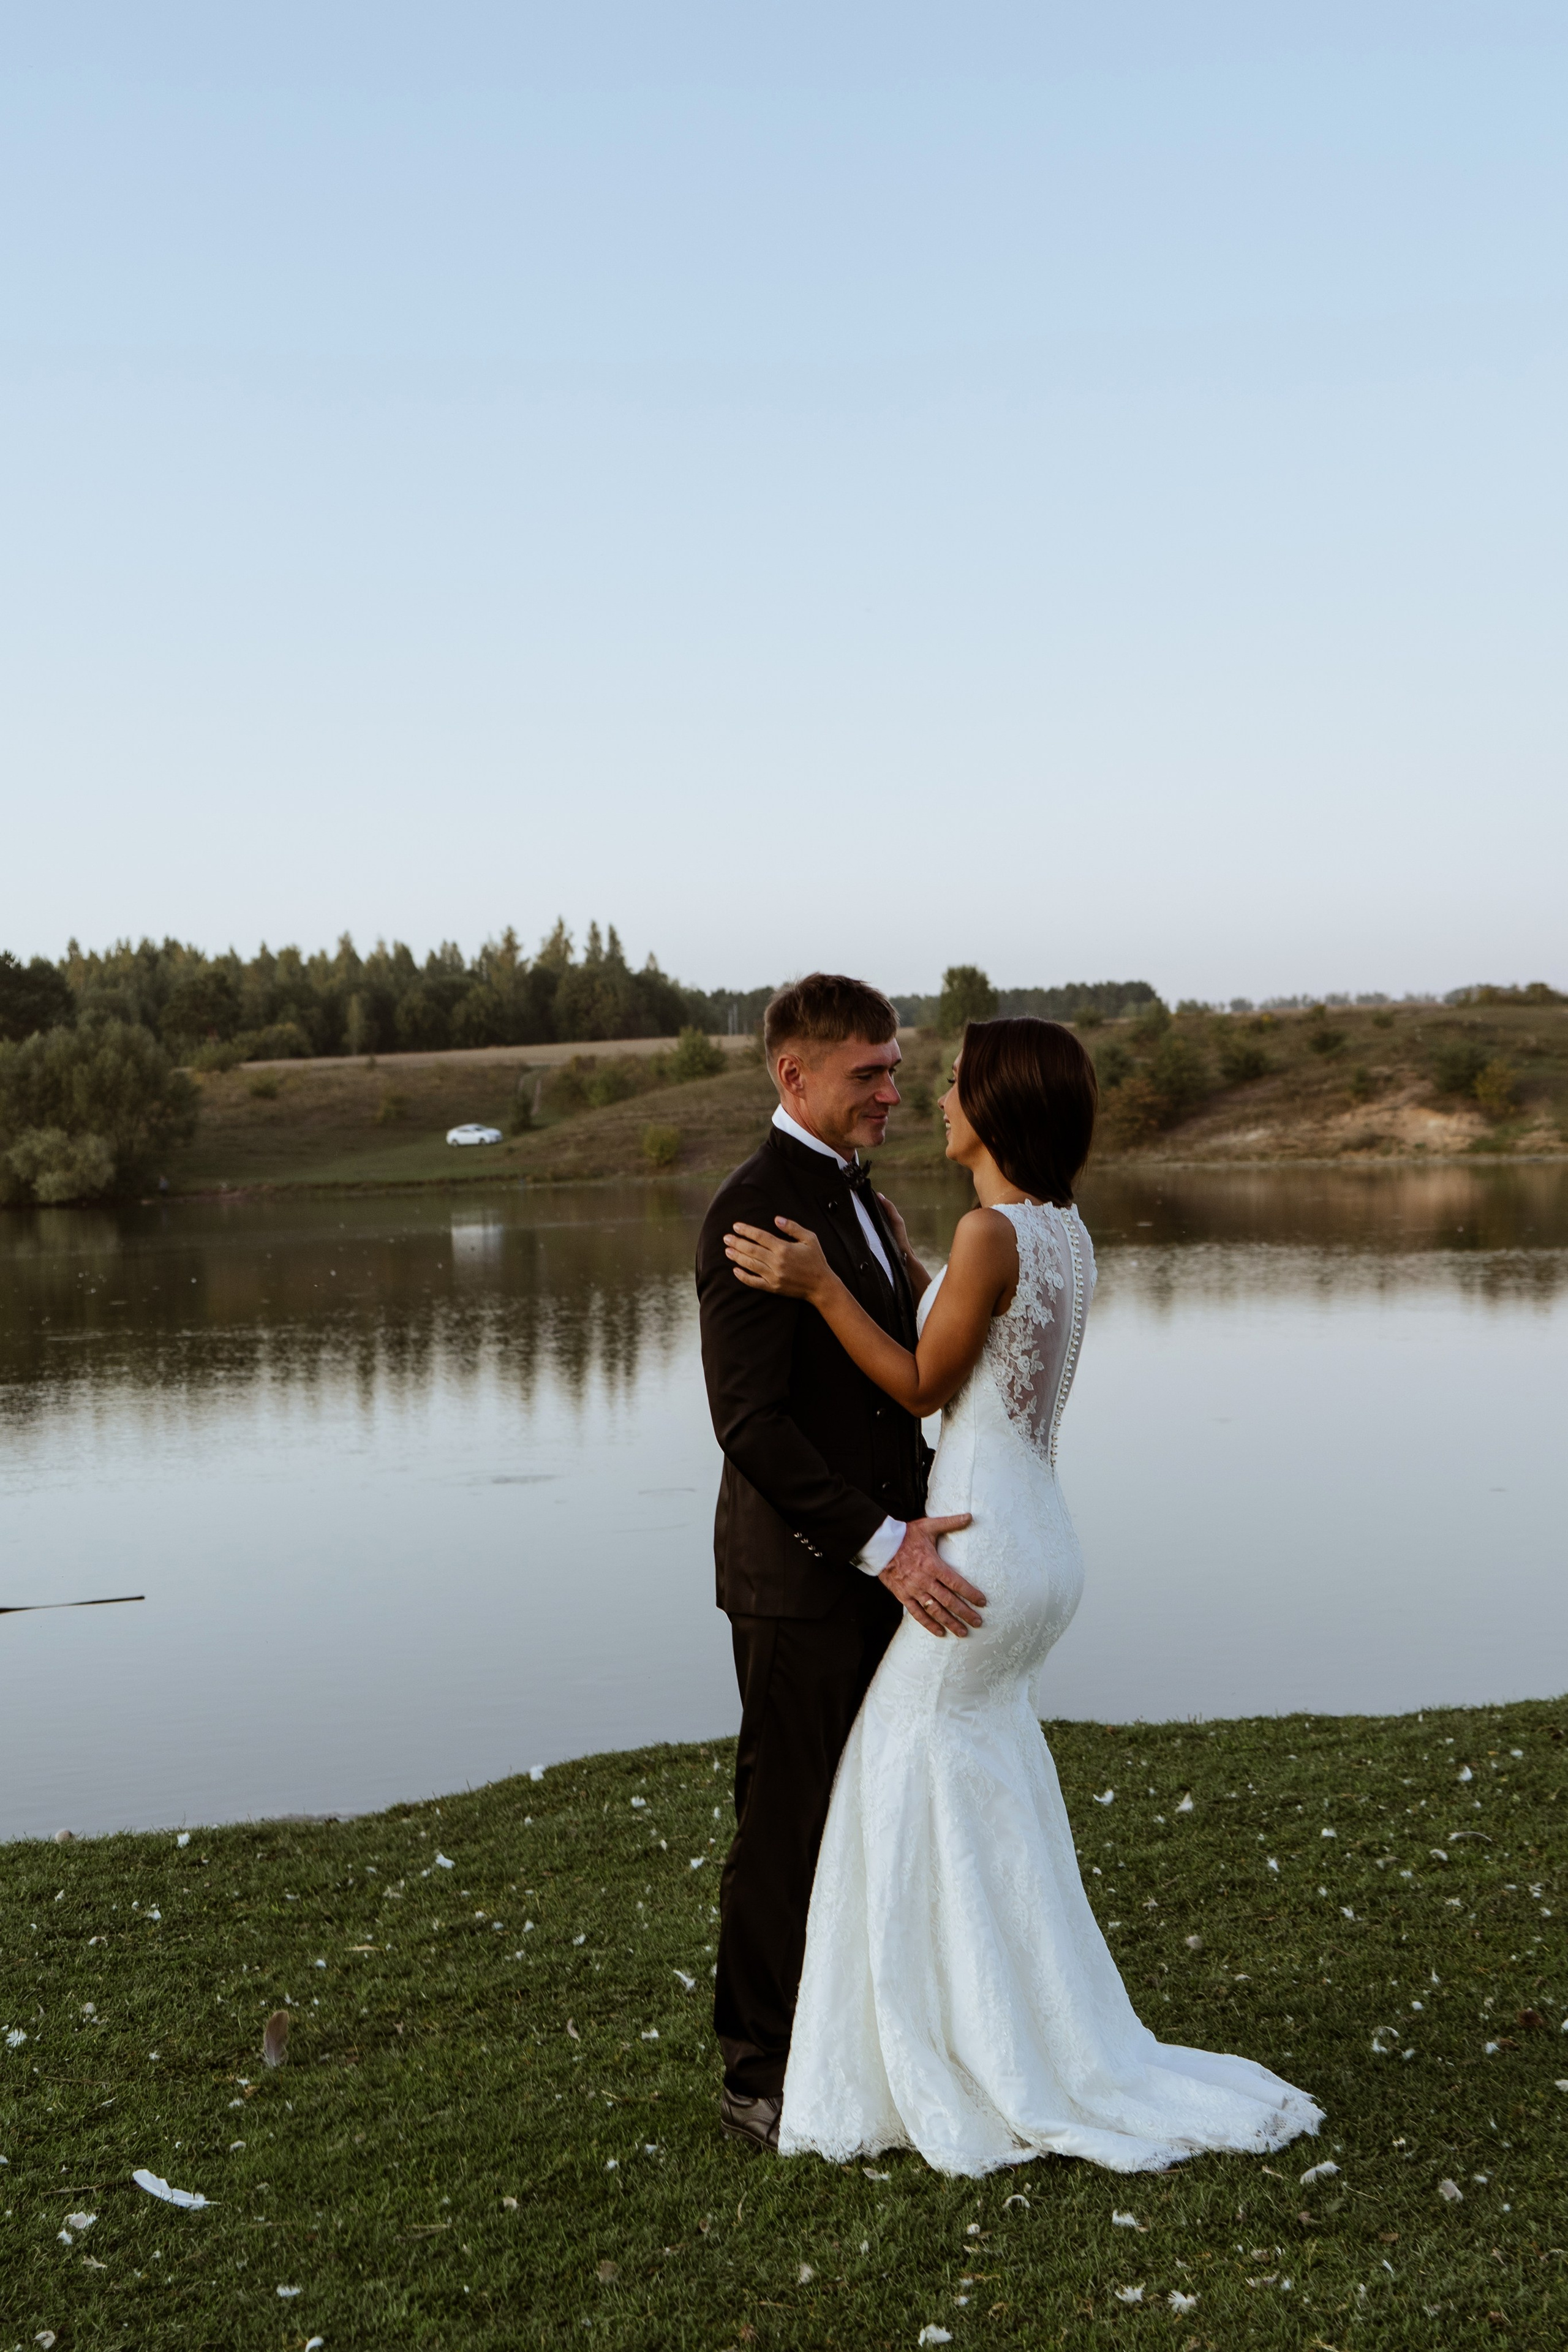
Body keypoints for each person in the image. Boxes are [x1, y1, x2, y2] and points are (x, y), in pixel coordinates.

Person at [723, 1014, 1324, 2177]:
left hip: (978, 1542)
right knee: (981, 1769)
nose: (933, 1097)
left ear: (997, 1107)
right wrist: (903, 1265)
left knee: (896, 1766)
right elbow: (975, 1332)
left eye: (951, 1083)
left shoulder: (988, 1232)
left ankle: (936, 2045)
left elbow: (915, 1382)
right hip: (1040, 1530)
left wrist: (817, 1285)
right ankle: (1021, 2019)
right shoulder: (1062, 1232)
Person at [695, 973, 980, 2152]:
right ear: (792, 1074)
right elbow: (753, 1424)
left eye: (896, 1066)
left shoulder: (866, 1201)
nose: (892, 1088)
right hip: (805, 1579)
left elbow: (901, 1363)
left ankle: (868, 2034)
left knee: (882, 1805)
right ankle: (757, 2068)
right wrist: (882, 1550)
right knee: (788, 1817)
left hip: (890, 1562)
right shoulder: (751, 1210)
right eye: (867, 1072)